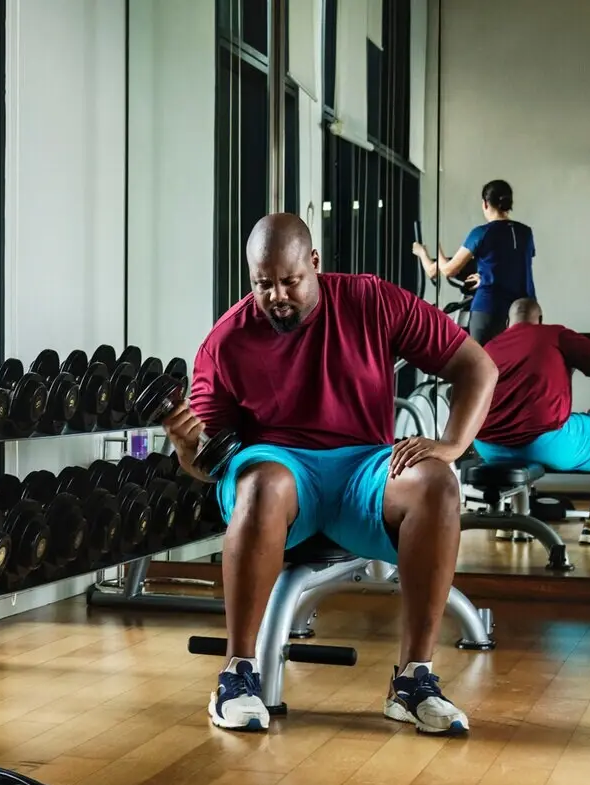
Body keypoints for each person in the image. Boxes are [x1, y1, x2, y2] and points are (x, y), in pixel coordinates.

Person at [165, 214, 499, 736]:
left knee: (436, 481)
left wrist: (453, 444)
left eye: (289, 281)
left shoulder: (372, 302)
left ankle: (413, 680)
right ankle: (237, 676)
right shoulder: (226, 342)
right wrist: (188, 450)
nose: (276, 295)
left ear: (314, 265)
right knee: (263, 481)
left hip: (361, 470)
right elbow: (209, 465)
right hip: (278, 473)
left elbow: (477, 366)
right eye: (262, 284)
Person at [473, 298, 590, 545]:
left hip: (486, 446)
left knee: (521, 431)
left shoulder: (490, 346)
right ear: (540, 320)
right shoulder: (556, 334)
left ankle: (510, 520)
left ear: (507, 323)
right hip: (542, 444)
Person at [412, 179, 535, 346]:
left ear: (485, 203)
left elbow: (449, 271)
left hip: (490, 309)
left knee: (481, 366)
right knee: (516, 366)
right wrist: (484, 276)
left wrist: (433, 249)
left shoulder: (481, 233)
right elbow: (512, 264)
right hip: (525, 310)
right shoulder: (525, 232)